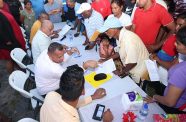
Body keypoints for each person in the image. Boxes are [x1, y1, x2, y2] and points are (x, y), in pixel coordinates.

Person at [40, 64, 114, 122]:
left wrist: (93, 97)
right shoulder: (72, 120)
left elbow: (68, 103)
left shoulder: (51, 95)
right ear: (83, 92)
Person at [144, 26, 186, 114]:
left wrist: (155, 97)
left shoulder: (181, 70)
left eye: (178, 43)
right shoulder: (181, 57)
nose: (175, 44)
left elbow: (170, 102)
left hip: (175, 109)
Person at [98, 17, 149, 84]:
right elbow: (119, 52)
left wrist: (121, 71)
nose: (105, 32)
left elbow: (132, 62)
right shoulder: (119, 36)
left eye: (107, 30)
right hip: (132, 68)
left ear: (115, 29)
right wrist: (106, 59)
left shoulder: (128, 40)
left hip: (140, 72)